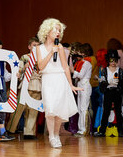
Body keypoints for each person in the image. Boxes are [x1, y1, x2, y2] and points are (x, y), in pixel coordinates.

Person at [36, 18, 82, 148]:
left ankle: (56, 135)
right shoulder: (39, 48)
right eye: (55, 29)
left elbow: (66, 67)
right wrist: (51, 53)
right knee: (50, 109)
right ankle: (51, 136)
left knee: (58, 111)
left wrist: (71, 84)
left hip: (60, 79)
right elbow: (40, 66)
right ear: (47, 30)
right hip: (48, 80)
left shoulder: (60, 47)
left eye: (59, 30)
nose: (58, 32)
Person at [6, 37, 41, 139]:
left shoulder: (42, 58)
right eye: (34, 45)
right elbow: (19, 70)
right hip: (26, 84)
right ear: (29, 47)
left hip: (37, 85)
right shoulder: (25, 57)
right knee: (19, 108)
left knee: (33, 110)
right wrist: (22, 70)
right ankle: (10, 129)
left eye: (38, 46)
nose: (36, 48)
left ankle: (29, 132)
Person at [94, 50, 123, 137]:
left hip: (117, 92)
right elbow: (102, 82)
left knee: (118, 112)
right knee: (106, 111)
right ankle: (102, 131)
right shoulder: (105, 70)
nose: (113, 63)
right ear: (108, 60)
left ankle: (120, 131)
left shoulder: (120, 71)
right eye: (111, 60)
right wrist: (108, 82)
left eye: (115, 60)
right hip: (108, 92)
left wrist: (119, 83)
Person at [71, 44, 92, 137]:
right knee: (79, 108)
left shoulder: (86, 63)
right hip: (80, 84)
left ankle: (84, 129)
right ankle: (80, 128)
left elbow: (80, 75)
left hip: (85, 85)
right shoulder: (80, 63)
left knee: (84, 108)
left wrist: (72, 70)